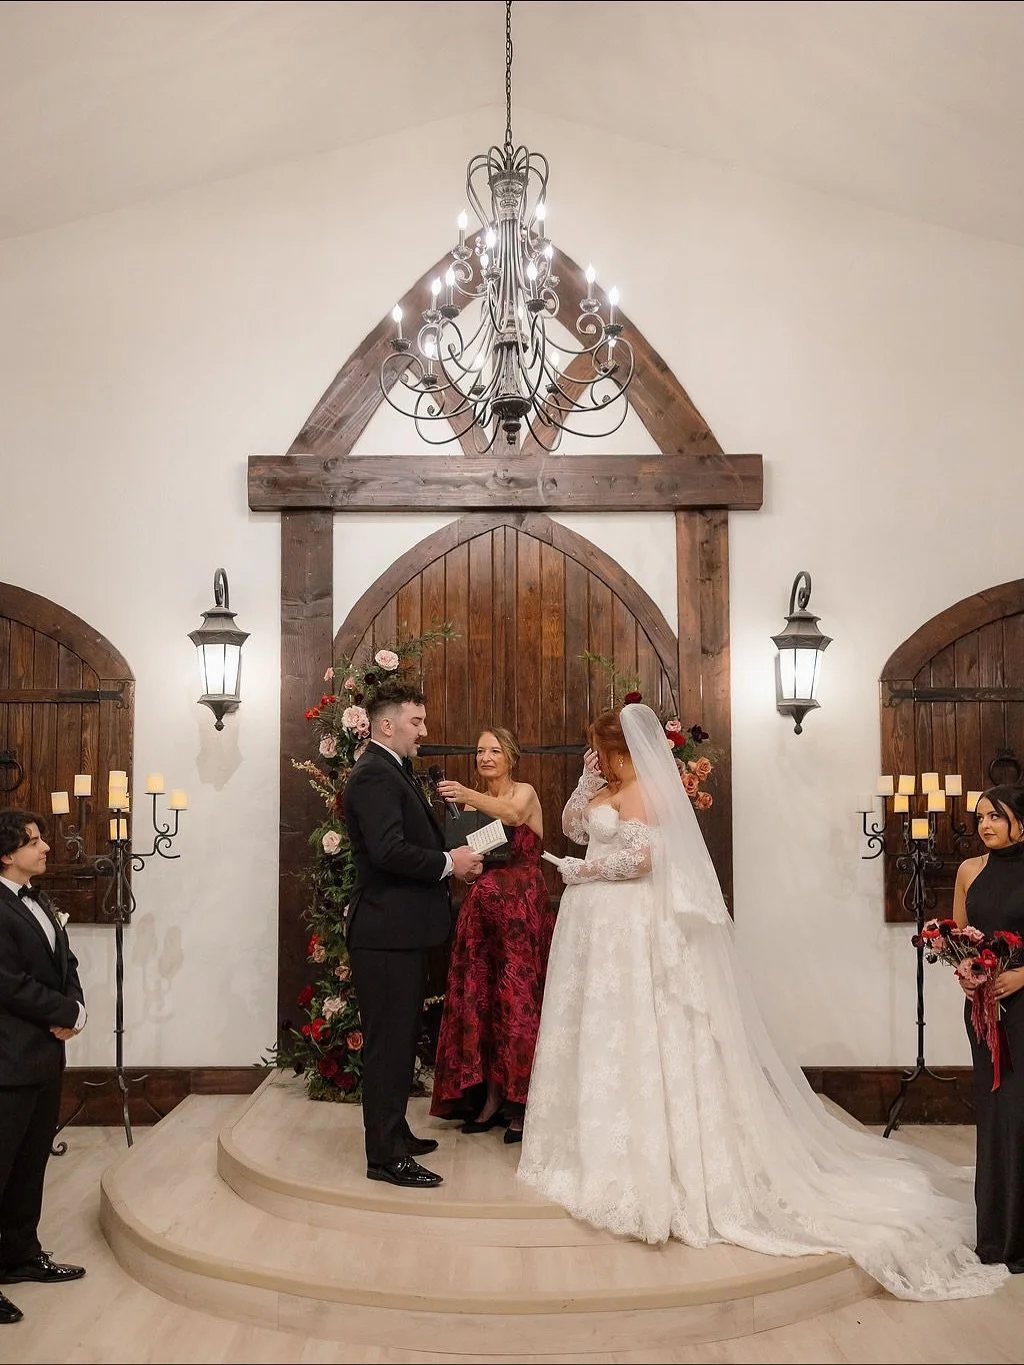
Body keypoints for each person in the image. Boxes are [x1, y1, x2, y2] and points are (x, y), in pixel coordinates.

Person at [518, 703, 1008, 1301]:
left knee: (640, 1026)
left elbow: (639, 860)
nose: (602, 759)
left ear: (628, 750)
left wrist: (582, 873)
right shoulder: (609, 785)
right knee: (602, 1031)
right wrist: (585, 783)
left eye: (604, 751)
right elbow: (576, 824)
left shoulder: (647, 789)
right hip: (597, 926)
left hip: (626, 921)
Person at [342, 686, 483, 1189]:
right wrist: (450, 863)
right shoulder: (374, 775)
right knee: (389, 1046)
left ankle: (395, 1130)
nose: (424, 731)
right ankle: (383, 1156)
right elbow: (387, 851)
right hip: (384, 932)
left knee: (400, 1040)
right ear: (386, 725)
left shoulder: (391, 769)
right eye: (416, 721)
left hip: (400, 930)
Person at [430, 728, 553, 1144]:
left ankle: (523, 1103)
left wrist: (466, 793)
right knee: (483, 1004)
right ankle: (491, 1097)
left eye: (494, 751)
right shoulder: (470, 812)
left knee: (517, 1002)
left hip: (520, 911)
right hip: (482, 915)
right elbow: (469, 856)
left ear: (510, 756)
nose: (485, 757)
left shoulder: (523, 793)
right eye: (480, 750)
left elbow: (514, 816)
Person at [0, 810, 87, 1326]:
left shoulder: (40, 900)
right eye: (33, 842)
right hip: (8, 1056)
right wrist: (63, 1013)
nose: (46, 847)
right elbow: (7, 982)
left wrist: (77, 1007)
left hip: (45, 1055)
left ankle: (18, 1255)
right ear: (7, 854)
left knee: (31, 1163)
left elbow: (65, 964)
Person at [952, 785, 1024, 1273]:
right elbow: (960, 938)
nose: (985, 825)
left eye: (996, 816)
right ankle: (996, 1237)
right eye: (980, 817)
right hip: (985, 1013)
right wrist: (965, 971)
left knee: (1021, 1117)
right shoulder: (968, 871)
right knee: (996, 1118)